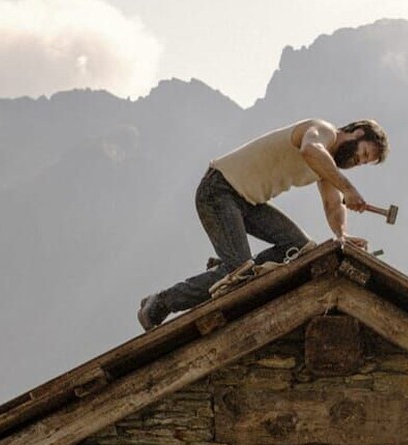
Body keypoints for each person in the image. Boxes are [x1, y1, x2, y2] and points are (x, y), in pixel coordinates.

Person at [137, 118, 390, 330]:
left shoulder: (328, 166)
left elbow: (333, 205)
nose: (359, 162)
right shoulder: (322, 131)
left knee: (299, 248)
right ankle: (163, 301)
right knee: (239, 275)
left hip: (247, 202)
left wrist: (343, 235)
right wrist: (348, 187)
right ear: (357, 132)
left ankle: (232, 266)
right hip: (219, 189)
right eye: (364, 154)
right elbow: (310, 150)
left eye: (364, 162)